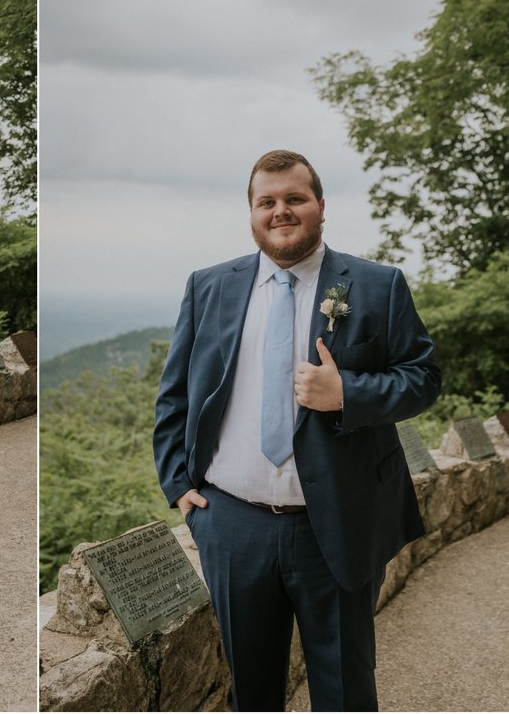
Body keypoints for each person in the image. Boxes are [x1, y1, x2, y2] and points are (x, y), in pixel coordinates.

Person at [153, 150, 440, 711]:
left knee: (344, 690)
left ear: (321, 207)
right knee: (253, 692)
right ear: (253, 212)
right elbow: (176, 393)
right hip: (230, 525)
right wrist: (177, 482)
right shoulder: (209, 286)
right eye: (268, 202)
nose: (280, 211)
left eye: (294, 199)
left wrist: (348, 395)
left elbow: (423, 378)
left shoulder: (378, 286)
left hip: (337, 521)